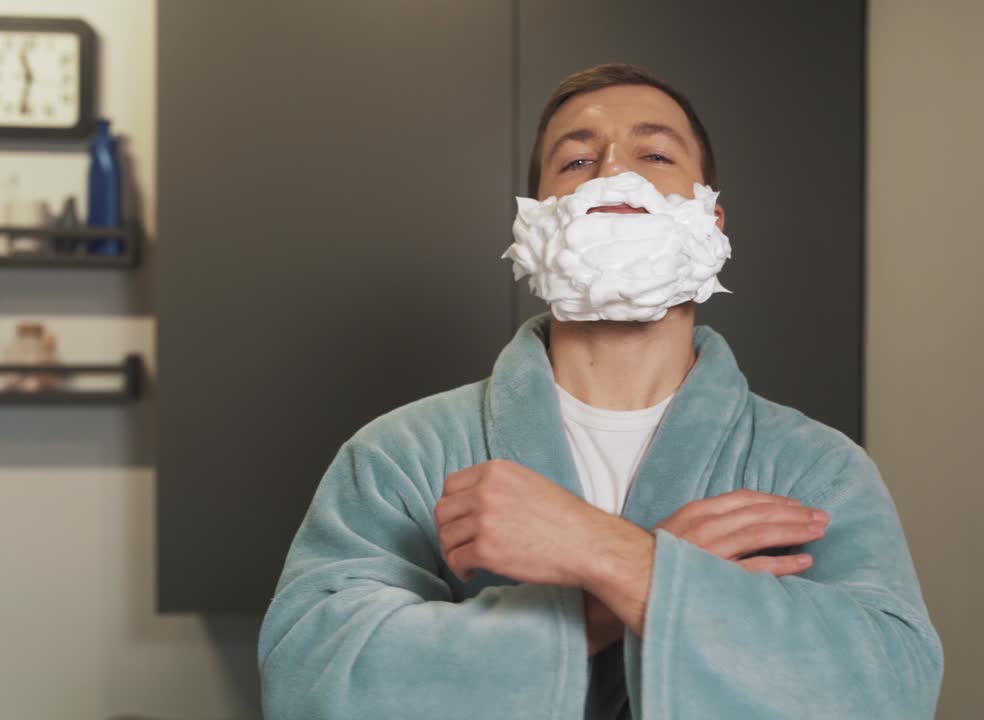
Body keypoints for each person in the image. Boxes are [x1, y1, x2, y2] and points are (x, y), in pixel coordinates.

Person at [258, 63, 943, 720]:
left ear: (712, 222)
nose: (615, 171)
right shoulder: (401, 454)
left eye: (654, 156)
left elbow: (891, 690)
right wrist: (601, 608)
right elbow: (311, 686)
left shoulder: (815, 468)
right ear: (533, 228)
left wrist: (607, 553)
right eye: (578, 162)